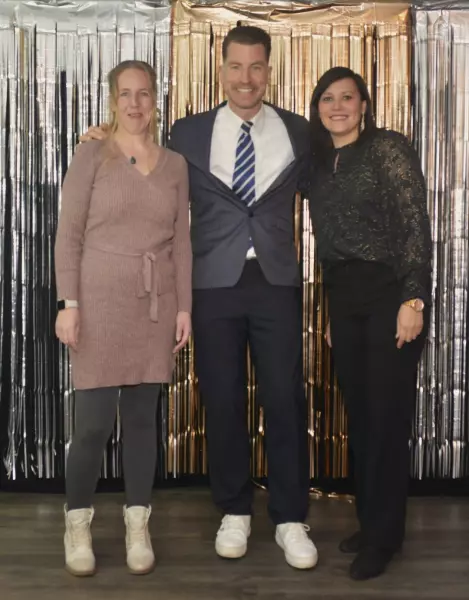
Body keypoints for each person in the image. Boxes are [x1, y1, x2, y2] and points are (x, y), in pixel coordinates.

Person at [81, 26, 317, 570]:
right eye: (236, 66)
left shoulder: (300, 132)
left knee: (284, 399)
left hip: (275, 282)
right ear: (221, 69)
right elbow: (139, 159)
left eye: (255, 66)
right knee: (222, 398)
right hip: (212, 284)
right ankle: (233, 510)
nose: (245, 78)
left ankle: (289, 517)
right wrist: (100, 139)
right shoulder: (187, 133)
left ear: (268, 70)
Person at [55, 60, 192, 577]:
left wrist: (184, 307)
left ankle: (138, 523)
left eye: (145, 94)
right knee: (92, 425)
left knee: (140, 422)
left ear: (156, 100)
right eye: (126, 94)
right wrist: (69, 304)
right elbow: (68, 234)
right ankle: (77, 523)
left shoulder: (175, 165)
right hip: (98, 302)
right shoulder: (91, 154)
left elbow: (182, 242)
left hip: (154, 304)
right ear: (113, 100)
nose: (135, 104)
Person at [308, 66, 432, 580]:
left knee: (385, 420)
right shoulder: (319, 162)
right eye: (328, 98)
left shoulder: (387, 149)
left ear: (364, 104)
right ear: (317, 108)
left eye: (347, 97)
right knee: (360, 420)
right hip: (344, 298)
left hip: (389, 294)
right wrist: (331, 313)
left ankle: (383, 538)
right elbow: (327, 244)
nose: (338, 106)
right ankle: (375, 522)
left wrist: (414, 300)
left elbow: (414, 225)